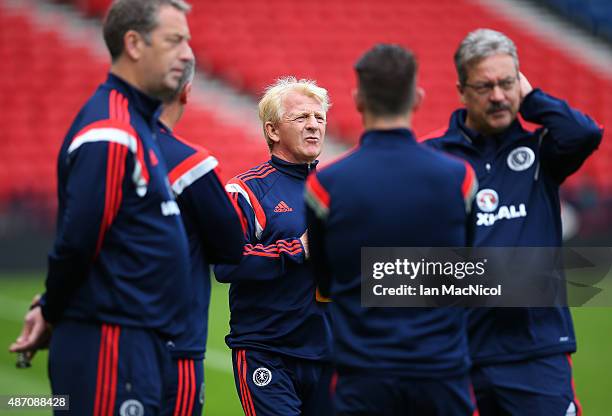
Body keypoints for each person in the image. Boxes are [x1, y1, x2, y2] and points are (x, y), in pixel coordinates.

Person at [9, 0, 195, 414]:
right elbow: (79, 241)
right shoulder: (112, 132)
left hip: (133, 341)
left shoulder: (134, 124)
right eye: (174, 39)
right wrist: (51, 307)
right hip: (112, 343)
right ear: (133, 43)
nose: (186, 53)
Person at [423, 29, 603, 416]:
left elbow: (586, 133)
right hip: (460, 351)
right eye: (485, 86)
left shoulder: (540, 149)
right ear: (461, 89)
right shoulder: (430, 156)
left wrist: (533, 99)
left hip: (536, 349)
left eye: (507, 83)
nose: (499, 96)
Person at [305, 43, 478, 416]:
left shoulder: (326, 186)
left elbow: (326, 280)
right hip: (442, 375)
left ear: (358, 99)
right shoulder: (459, 178)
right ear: (417, 97)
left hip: (364, 376)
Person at [214, 77, 334, 416]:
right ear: (273, 131)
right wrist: (297, 249)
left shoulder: (341, 188)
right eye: (301, 118)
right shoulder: (246, 190)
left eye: (319, 118)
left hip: (330, 355)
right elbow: (226, 263)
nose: (313, 125)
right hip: (266, 352)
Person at [156, 59, 245, 416]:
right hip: (177, 345)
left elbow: (76, 243)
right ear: (187, 92)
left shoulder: (99, 148)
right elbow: (230, 250)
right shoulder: (192, 165)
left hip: (108, 340)